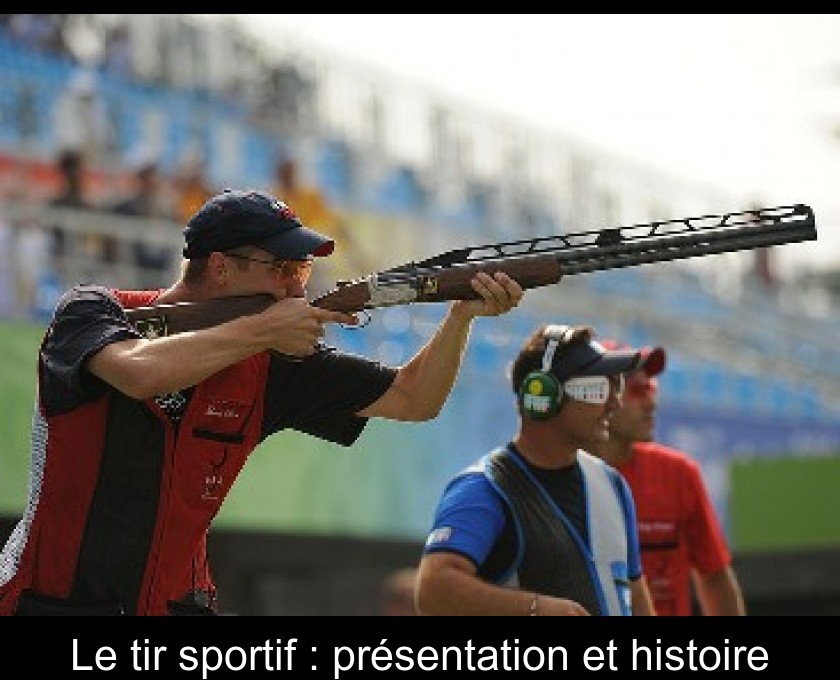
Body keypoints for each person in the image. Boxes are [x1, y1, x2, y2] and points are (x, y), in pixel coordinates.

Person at [0, 188, 524, 616]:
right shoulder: (92, 311)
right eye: (285, 270)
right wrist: (261, 330)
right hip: (48, 603)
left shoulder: (271, 362)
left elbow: (414, 398)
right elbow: (139, 372)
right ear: (223, 268)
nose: (298, 287)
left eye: (302, 272)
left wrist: (461, 317)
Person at [416, 324, 656, 616]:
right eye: (598, 389)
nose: (613, 403)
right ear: (543, 395)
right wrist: (535, 609)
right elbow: (433, 590)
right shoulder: (483, 488)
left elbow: (635, 596)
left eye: (615, 387)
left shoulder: (611, 484)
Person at [597, 339, 746, 616]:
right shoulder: (566, 475)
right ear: (598, 396)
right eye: (638, 390)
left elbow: (714, 578)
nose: (652, 402)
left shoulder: (679, 473)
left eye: (652, 388)